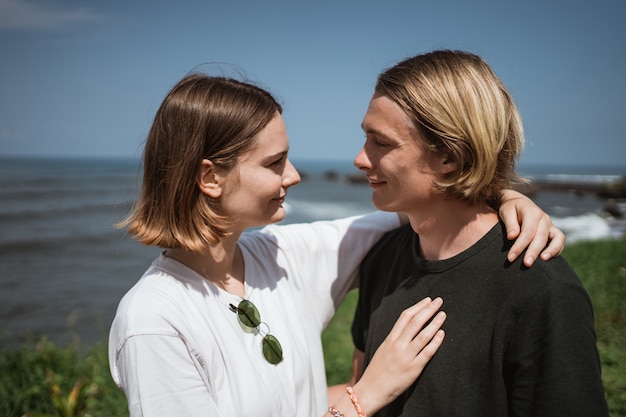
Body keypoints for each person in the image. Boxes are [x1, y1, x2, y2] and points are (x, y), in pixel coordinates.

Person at [108, 72, 565, 417]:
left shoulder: (281, 258)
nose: (293, 176)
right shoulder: (153, 321)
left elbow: (422, 204)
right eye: (275, 163)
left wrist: (501, 193)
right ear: (210, 177)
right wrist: (363, 396)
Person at [350, 50, 609, 416]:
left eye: (382, 142)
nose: (360, 159)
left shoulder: (540, 289)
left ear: (448, 157)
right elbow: (359, 395)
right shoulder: (382, 259)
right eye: (366, 138)